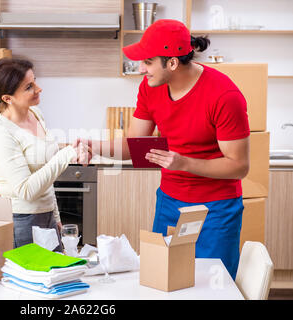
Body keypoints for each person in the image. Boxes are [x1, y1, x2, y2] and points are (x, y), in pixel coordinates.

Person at [86, 19, 250, 279]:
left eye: (148, 62)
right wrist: (94, 147)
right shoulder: (150, 88)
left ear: (172, 62)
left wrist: (184, 163)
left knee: (213, 286)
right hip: (169, 201)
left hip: (216, 208)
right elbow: (135, 147)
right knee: (164, 279)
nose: (142, 69)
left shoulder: (224, 96)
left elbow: (239, 166)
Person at [0, 58, 91, 251]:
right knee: (34, 279)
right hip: (23, 222)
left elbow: (45, 174)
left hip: (48, 216)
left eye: (35, 81)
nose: (38, 89)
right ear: (8, 98)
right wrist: (67, 154)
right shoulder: (1, 134)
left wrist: (55, 217)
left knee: (56, 276)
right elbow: (26, 190)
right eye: (29, 87)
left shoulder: (35, 114)